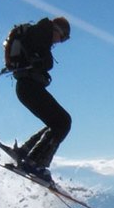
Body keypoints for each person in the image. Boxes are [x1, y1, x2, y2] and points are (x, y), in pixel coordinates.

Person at [8, 16, 71, 181]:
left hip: (26, 87)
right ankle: (35, 163)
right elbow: (33, 50)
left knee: (57, 123)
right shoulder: (41, 34)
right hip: (29, 87)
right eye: (62, 38)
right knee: (63, 122)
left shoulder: (38, 34)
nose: (60, 42)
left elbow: (29, 51)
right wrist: (36, 60)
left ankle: (25, 152)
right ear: (57, 30)